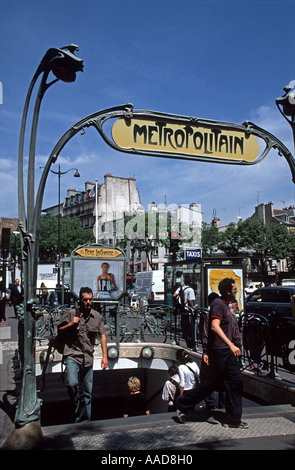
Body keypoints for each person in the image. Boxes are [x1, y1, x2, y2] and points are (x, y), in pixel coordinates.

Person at [176, 278, 248, 429]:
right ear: (228, 291)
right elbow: (214, 327)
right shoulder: (218, 305)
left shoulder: (226, 306)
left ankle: (183, 405)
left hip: (225, 351)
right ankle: (233, 419)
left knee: (217, 384)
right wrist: (230, 345)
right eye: (234, 289)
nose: (236, 291)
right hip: (223, 351)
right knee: (233, 382)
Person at [58, 286, 108, 422]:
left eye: (90, 300)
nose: (88, 302)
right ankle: (76, 408)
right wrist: (70, 324)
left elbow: (102, 336)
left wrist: (105, 356)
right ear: (80, 300)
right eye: (85, 300)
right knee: (72, 383)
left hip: (87, 357)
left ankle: (85, 421)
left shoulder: (97, 317)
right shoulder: (71, 313)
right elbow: (59, 330)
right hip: (72, 355)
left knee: (87, 391)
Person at [173, 276, 196, 349]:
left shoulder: (180, 288)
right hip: (188, 310)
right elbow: (191, 300)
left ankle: (186, 340)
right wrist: (193, 308)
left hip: (182, 309)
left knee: (184, 326)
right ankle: (192, 344)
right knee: (190, 326)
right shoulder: (190, 290)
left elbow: (174, 295)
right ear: (190, 282)